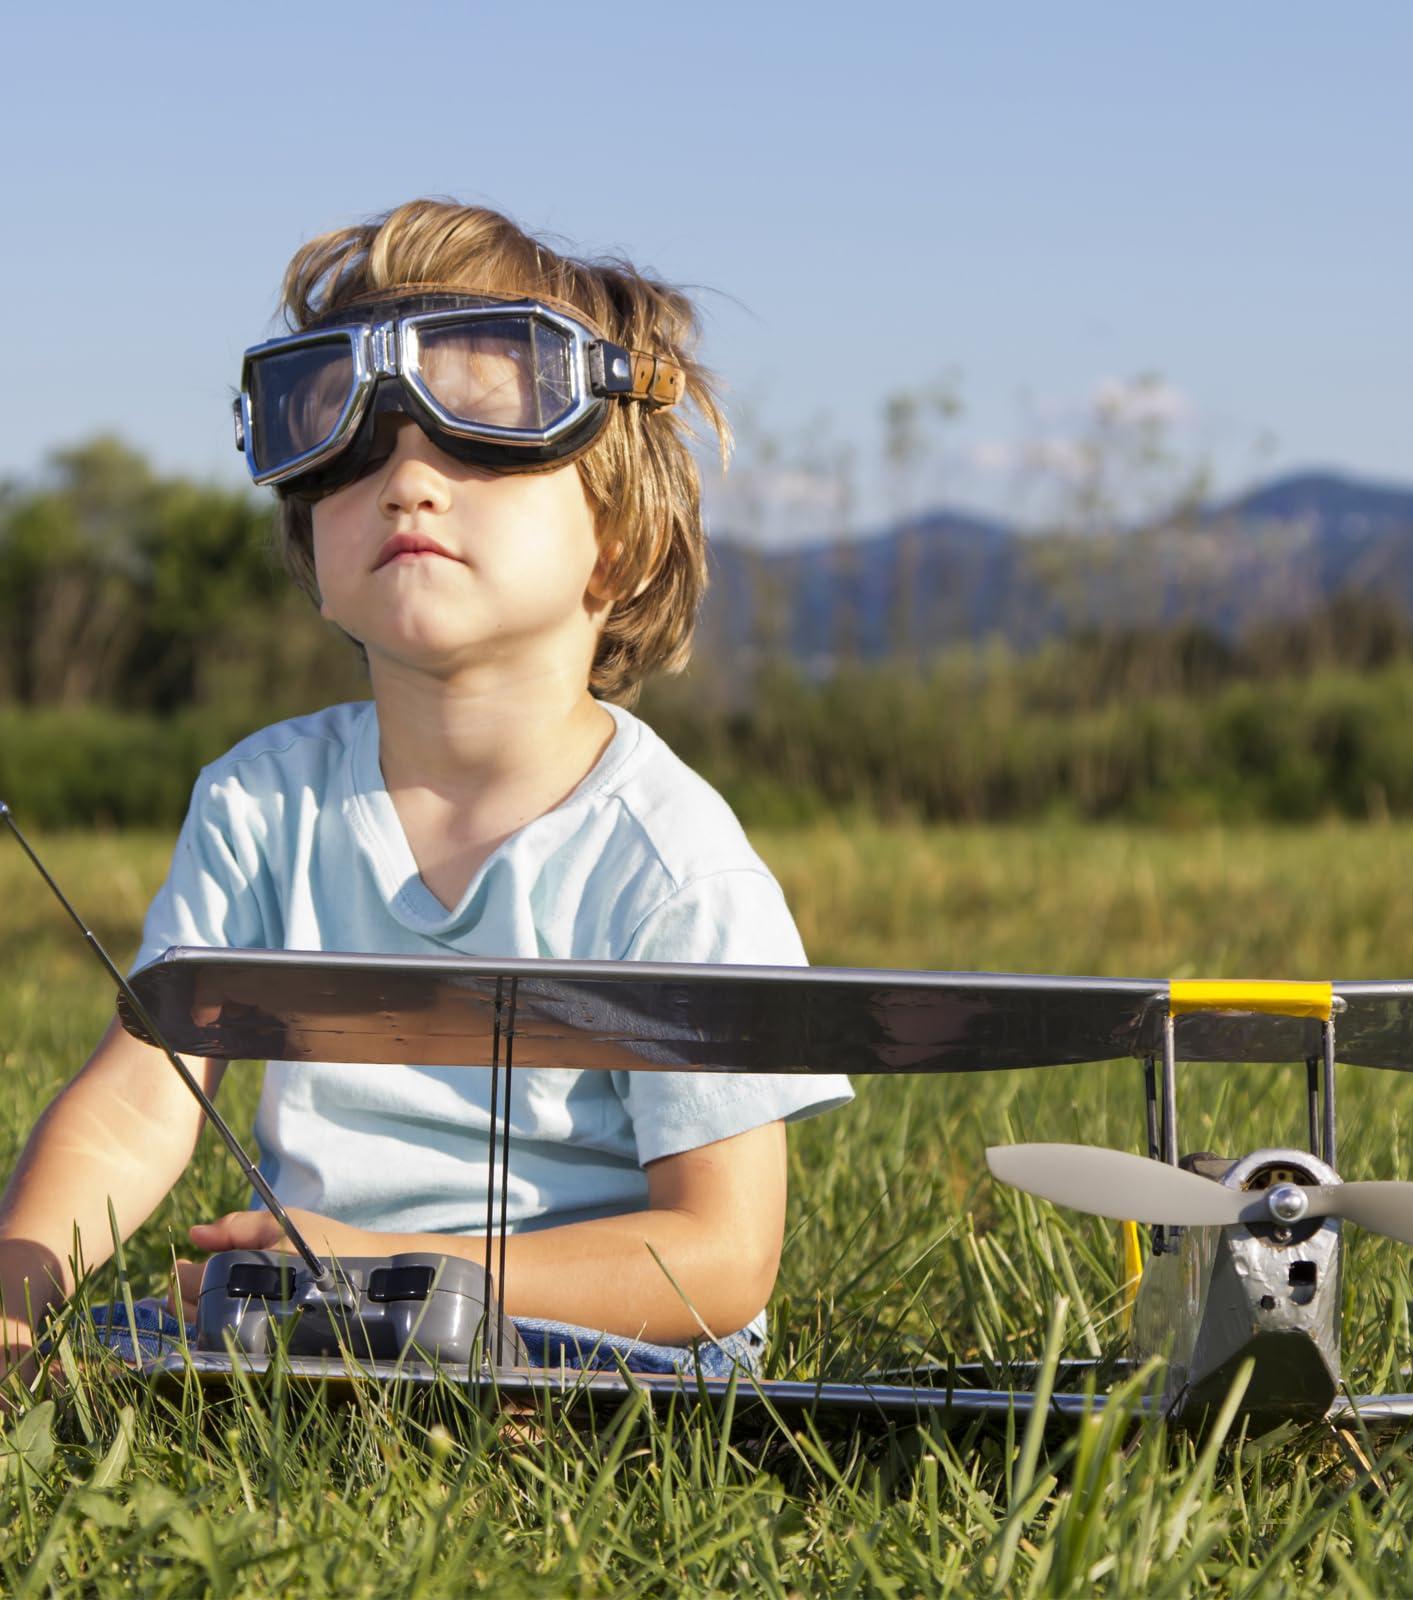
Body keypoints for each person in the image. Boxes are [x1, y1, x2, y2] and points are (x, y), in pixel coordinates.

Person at [0, 199, 852, 1379]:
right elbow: (142, 1100)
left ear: (617, 539)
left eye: (477, 436)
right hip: (309, 1314)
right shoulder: (261, 803)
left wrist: (388, 1267)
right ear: (311, 550)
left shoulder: (666, 856)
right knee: (122, 1352)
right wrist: (16, 1290)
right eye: (351, 450)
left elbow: (719, 1255)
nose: (407, 483)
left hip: (603, 1342)